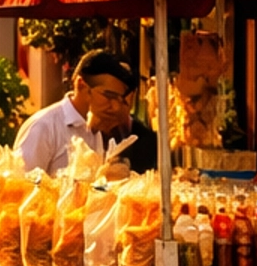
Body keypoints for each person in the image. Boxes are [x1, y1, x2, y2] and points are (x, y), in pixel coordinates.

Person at [15, 47, 158, 175]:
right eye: (109, 96)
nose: (115, 107)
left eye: (119, 99)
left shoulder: (93, 132)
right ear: (81, 85)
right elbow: (18, 190)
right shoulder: (43, 127)